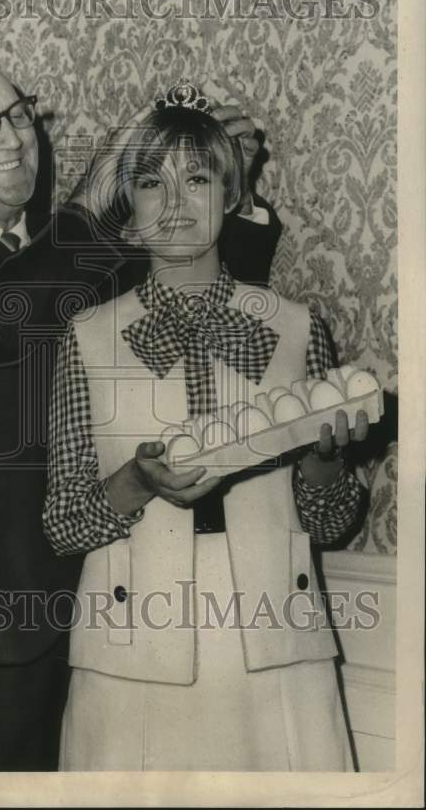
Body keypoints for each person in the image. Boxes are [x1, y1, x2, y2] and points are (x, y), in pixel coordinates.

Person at [0, 57, 278, 771]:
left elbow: (209, 316)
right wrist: (94, 198)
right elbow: (1, 316)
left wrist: (236, 186)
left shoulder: (81, 257)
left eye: (17, 114)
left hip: (106, 595)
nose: (13, 138)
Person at [43, 83, 368, 771]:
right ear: (130, 207)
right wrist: (136, 481)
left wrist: (323, 467)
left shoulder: (299, 329)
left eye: (197, 179)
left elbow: (332, 522)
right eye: (153, 183)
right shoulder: (86, 336)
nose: (178, 204)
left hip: (273, 642)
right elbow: (63, 522)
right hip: (132, 645)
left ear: (230, 194)